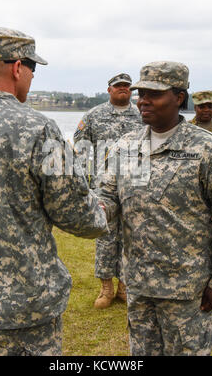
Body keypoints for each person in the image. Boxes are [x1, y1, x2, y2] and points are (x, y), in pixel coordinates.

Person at [0, 27, 108, 356]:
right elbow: (76, 213)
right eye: (33, 69)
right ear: (18, 68)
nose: (32, 77)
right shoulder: (39, 129)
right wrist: (100, 213)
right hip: (23, 304)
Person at [97, 61, 212, 355]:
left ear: (179, 97)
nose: (143, 101)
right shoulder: (126, 146)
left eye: (154, 94)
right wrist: (87, 210)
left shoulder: (208, 149)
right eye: (141, 93)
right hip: (138, 285)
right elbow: (108, 196)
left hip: (188, 290)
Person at [74, 73, 142, 309]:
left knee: (131, 236)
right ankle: (106, 289)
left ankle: (124, 286)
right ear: (109, 90)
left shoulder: (142, 114)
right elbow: (81, 149)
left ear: (131, 91)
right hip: (103, 187)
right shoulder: (95, 115)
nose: (123, 89)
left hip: (135, 185)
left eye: (126, 86)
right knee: (105, 236)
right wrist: (83, 181)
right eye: (118, 86)